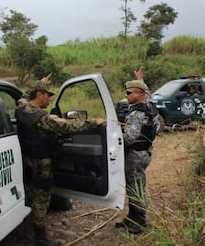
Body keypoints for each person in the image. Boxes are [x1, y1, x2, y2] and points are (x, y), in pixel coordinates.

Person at [15, 79, 105, 246]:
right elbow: (68, 127)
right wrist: (95, 122)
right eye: (47, 95)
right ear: (40, 95)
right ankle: (40, 238)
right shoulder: (42, 118)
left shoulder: (21, 108)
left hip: (28, 158)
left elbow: (24, 96)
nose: (49, 99)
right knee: (41, 198)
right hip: (42, 164)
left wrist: (38, 82)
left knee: (35, 191)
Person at [115, 79, 158, 234]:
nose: (125, 95)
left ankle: (139, 222)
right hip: (143, 152)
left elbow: (128, 138)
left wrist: (115, 133)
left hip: (136, 155)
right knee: (134, 185)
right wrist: (141, 80)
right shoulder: (149, 106)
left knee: (136, 187)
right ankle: (132, 217)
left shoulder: (138, 113)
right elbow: (150, 96)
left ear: (139, 94)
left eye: (128, 92)